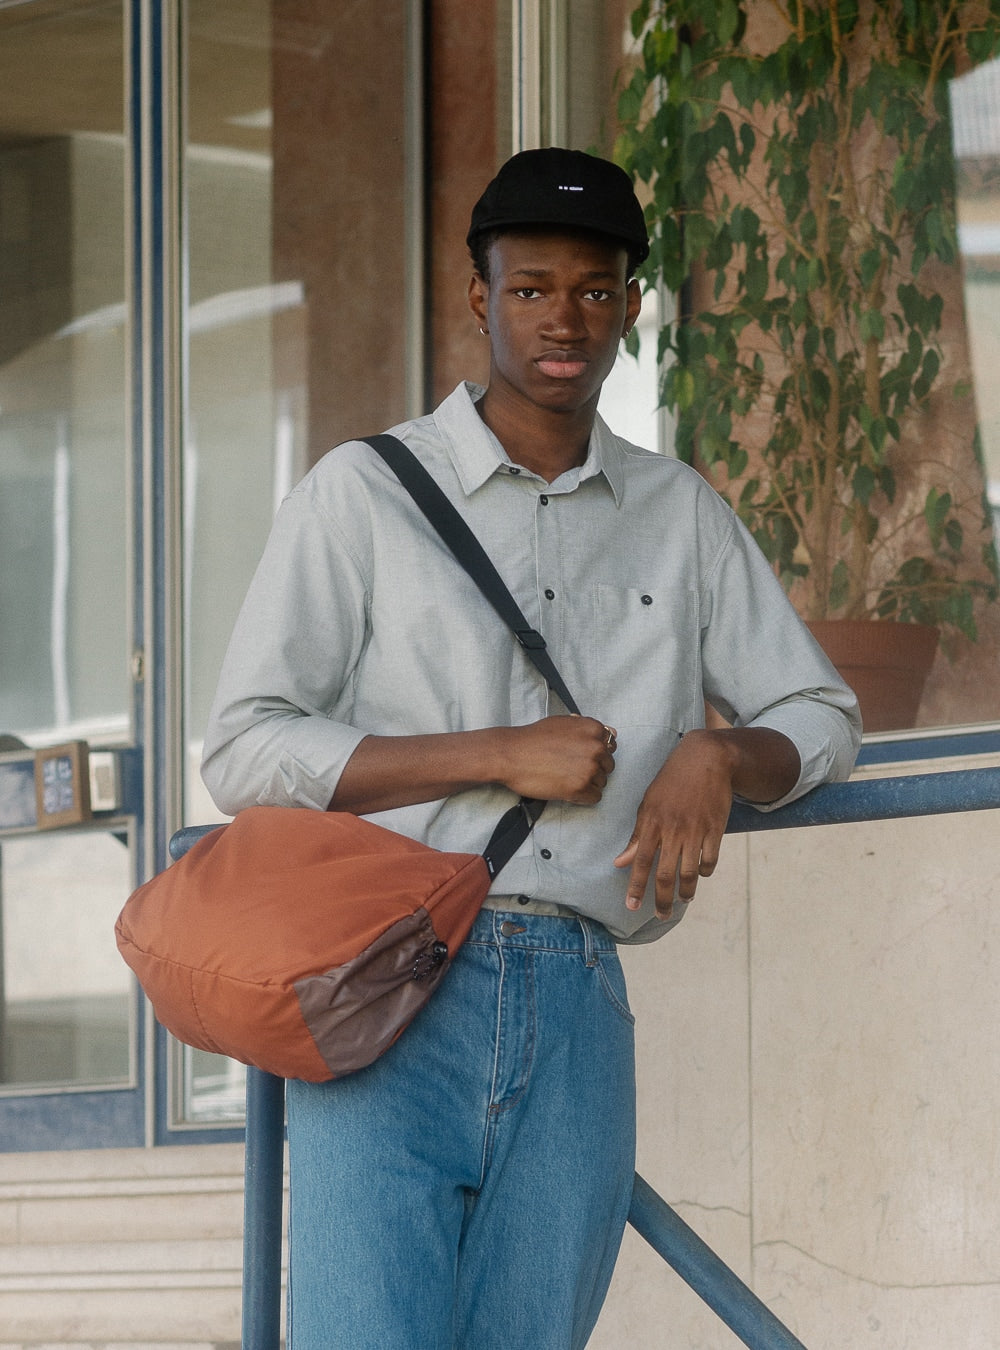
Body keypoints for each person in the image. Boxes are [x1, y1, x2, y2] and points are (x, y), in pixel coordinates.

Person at [202, 147, 861, 1349]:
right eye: (531, 287)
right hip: (387, 984)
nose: (565, 319)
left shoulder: (681, 515)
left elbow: (822, 713)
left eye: (595, 290)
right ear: (479, 297)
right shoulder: (362, 496)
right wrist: (494, 752)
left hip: (575, 992)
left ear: (631, 307)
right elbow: (245, 748)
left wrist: (718, 755)